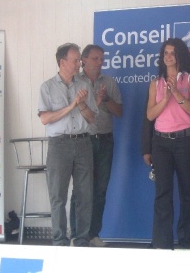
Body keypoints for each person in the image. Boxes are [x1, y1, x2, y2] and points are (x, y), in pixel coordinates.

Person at [144, 38, 190, 249]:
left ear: (180, 55)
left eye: (173, 53)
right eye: (166, 53)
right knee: (162, 193)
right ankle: (162, 243)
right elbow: (150, 115)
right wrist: (165, 98)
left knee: (189, 192)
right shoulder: (156, 83)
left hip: (185, 141)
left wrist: (177, 94)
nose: (169, 57)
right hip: (161, 142)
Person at [38, 43, 98, 247]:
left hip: (83, 143)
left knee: (85, 195)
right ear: (63, 62)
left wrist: (81, 105)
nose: (79, 63)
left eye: (79, 59)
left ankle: (82, 240)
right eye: (75, 60)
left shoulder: (84, 84)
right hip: (59, 145)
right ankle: (59, 241)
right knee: (58, 195)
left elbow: (92, 119)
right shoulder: (47, 87)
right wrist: (72, 105)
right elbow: (45, 118)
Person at [70, 45, 123, 247]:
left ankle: (92, 234)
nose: (100, 62)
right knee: (80, 190)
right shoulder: (76, 82)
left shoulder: (109, 82)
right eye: (95, 58)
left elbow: (119, 112)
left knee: (100, 189)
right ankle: (76, 234)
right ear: (83, 60)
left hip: (105, 139)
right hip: (83, 139)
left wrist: (106, 99)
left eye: (102, 58)